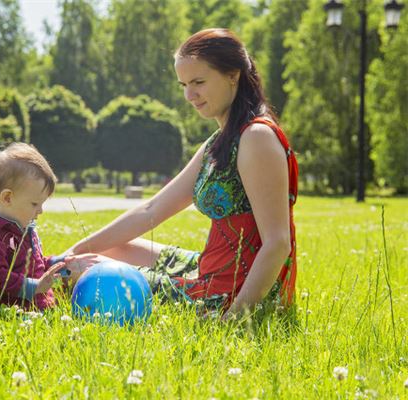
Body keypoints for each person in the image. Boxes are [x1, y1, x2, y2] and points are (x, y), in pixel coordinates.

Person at [65, 28, 299, 320]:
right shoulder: (220, 141)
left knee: (85, 271)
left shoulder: (257, 137)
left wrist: (235, 317)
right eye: (184, 85)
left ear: (233, 75)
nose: (190, 95)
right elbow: (152, 209)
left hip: (231, 293)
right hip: (210, 270)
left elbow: (277, 243)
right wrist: (72, 250)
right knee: (109, 250)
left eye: (199, 82)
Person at [0, 143, 83, 310]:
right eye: (34, 204)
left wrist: (57, 263)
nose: (40, 211)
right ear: (8, 198)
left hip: (37, 305)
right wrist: (35, 286)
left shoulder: (22, 227)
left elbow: (34, 265)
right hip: (11, 309)